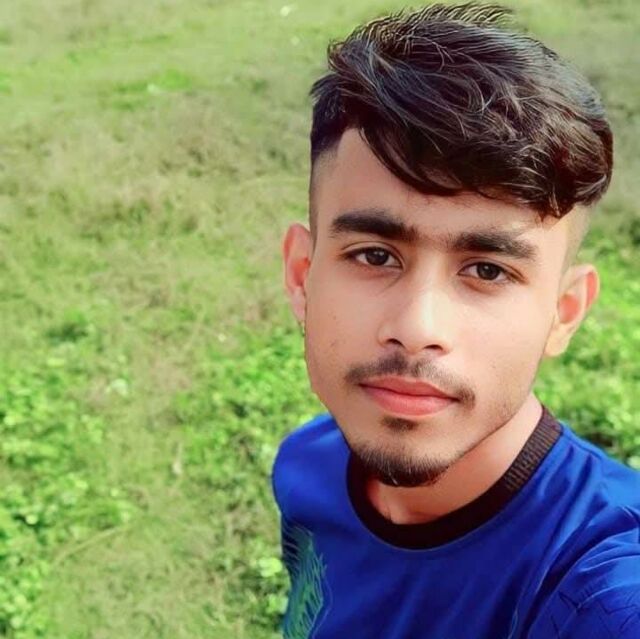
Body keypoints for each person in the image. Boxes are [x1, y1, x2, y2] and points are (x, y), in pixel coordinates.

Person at [275, 3, 640, 638]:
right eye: (375, 255)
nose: (418, 327)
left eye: (488, 270)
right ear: (303, 275)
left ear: (564, 313)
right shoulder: (308, 465)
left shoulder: (599, 589)